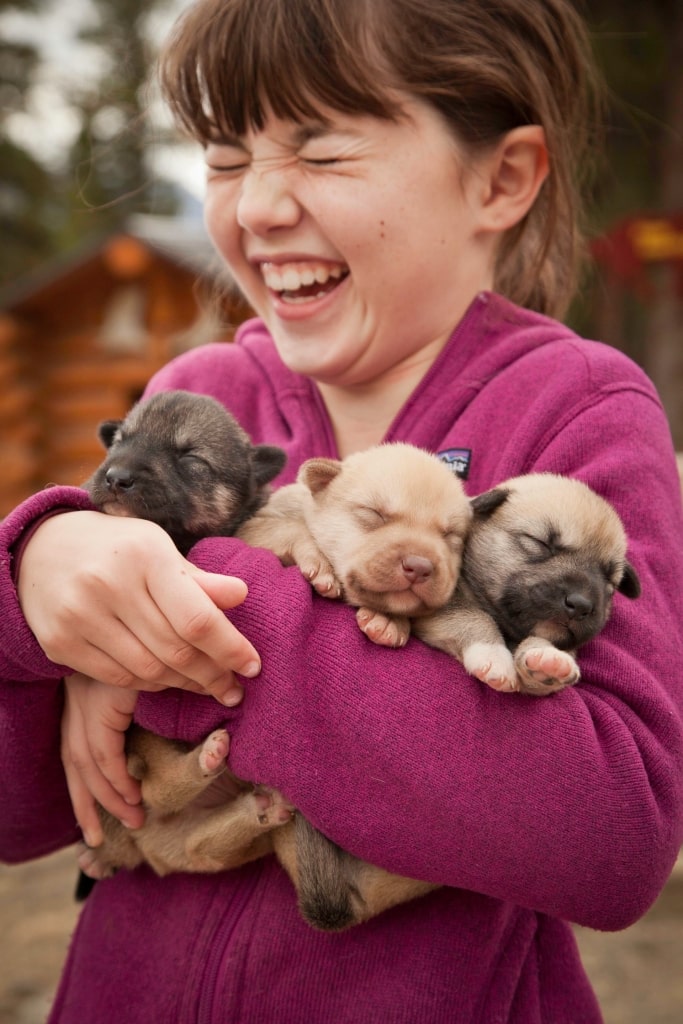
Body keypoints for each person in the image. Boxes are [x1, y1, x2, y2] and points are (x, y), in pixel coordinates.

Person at [2, 0, 683, 1021]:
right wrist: (35, 585)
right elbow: (24, 810)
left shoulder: (576, 413)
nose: (259, 207)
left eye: (320, 155)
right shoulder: (197, 394)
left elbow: (611, 839)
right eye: (227, 158)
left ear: (498, 179)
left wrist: (186, 645)